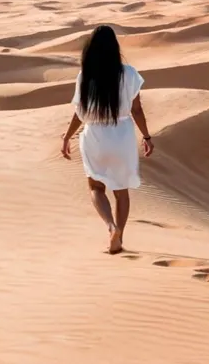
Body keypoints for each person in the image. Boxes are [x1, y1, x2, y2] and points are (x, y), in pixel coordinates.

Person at [61, 25, 154, 254]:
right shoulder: (129, 73)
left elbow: (80, 113)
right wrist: (147, 136)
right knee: (121, 191)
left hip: (95, 136)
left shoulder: (85, 76)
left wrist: (67, 137)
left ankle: (110, 227)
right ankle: (119, 235)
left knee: (95, 187)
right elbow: (137, 110)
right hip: (121, 135)